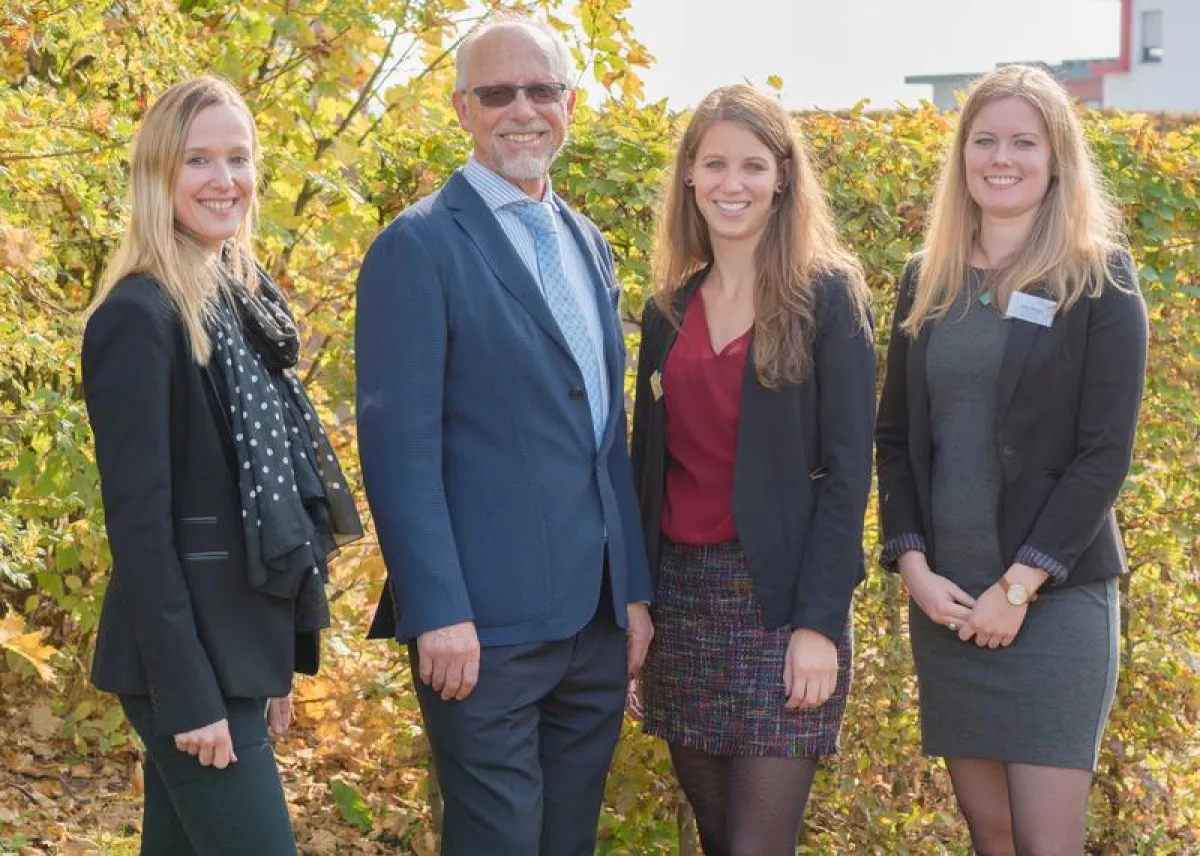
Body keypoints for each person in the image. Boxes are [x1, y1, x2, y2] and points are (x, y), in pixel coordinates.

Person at [354, 15, 653, 856]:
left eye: (541, 89)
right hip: (480, 635)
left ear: (568, 102)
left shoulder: (588, 244)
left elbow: (606, 440)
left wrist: (629, 590)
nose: (521, 109)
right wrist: (437, 610)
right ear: (461, 109)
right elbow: (398, 454)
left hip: (593, 626)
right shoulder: (415, 248)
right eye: (497, 93)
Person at [81, 76, 362, 854]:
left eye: (237, 159)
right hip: (185, 666)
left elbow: (265, 514)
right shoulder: (139, 317)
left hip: (235, 655)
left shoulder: (241, 306)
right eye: (198, 159)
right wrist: (192, 696)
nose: (224, 180)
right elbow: (141, 531)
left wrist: (268, 667)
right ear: (158, 176)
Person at [876, 65, 1148, 854]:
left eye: (1024, 142)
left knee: (1044, 840)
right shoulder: (925, 282)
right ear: (962, 156)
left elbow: (1105, 454)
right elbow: (895, 442)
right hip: (950, 605)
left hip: (1052, 602)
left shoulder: (1099, 280)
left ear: (1056, 157)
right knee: (991, 835)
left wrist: (1021, 584)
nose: (1003, 157)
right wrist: (912, 565)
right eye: (985, 140)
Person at [629, 84, 875, 855]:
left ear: (783, 178)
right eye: (714, 165)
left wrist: (818, 625)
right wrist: (637, 605)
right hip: (685, 605)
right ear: (690, 179)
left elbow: (848, 475)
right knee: (714, 838)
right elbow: (644, 470)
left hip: (781, 605)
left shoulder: (826, 296)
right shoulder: (668, 308)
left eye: (752, 165)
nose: (732, 183)